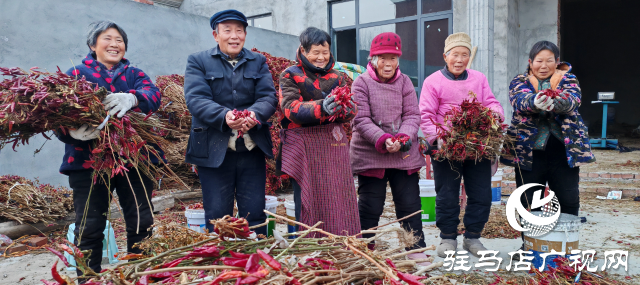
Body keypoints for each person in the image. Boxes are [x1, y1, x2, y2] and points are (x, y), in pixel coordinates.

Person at [55, 21, 162, 281]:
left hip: (135, 158)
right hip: (88, 160)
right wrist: (69, 132)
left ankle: (142, 274)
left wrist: (134, 97)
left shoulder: (134, 73)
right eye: (108, 38)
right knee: (89, 225)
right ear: (93, 45)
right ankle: (88, 278)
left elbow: (153, 95)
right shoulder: (76, 74)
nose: (115, 44)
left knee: (141, 219)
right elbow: (55, 111)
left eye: (120, 40)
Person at [184, 10, 277, 235]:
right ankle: (222, 265)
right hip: (215, 149)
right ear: (216, 35)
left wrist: (253, 116)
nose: (234, 36)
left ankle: (255, 262)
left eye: (239, 31)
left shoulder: (258, 61)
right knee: (217, 216)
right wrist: (226, 117)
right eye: (227, 31)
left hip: (251, 148)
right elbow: (196, 99)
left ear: (245, 34)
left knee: (254, 214)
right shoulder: (198, 61)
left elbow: (268, 97)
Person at [500, 41, 595, 250]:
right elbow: (519, 100)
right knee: (530, 200)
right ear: (530, 62)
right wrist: (535, 102)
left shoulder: (568, 79)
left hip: (563, 151)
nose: (544, 66)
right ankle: (531, 246)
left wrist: (557, 102)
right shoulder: (520, 80)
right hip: (529, 152)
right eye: (539, 61)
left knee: (568, 198)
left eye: (549, 61)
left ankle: (566, 246)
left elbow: (573, 100)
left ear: (557, 62)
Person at [419, 32, 504, 257]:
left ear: (469, 57)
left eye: (464, 55)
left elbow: (491, 103)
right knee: (447, 193)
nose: (459, 60)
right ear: (445, 56)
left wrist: (495, 116)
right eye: (455, 54)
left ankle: (473, 237)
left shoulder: (478, 78)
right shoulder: (432, 81)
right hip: (447, 146)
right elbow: (426, 115)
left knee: (481, 193)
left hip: (476, 146)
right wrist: (439, 138)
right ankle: (448, 237)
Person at [350, 32, 429, 262]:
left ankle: (415, 248)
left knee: (409, 203)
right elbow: (361, 119)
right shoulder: (361, 83)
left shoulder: (404, 82)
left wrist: (403, 138)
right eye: (382, 58)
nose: (388, 64)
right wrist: (384, 139)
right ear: (373, 59)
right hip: (372, 154)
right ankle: (364, 248)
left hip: (402, 154)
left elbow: (413, 115)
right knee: (370, 205)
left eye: (393, 58)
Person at [278, 27, 360, 236]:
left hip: (334, 145)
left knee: (339, 195)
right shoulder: (290, 74)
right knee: (308, 197)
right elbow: (290, 108)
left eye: (325, 52)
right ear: (303, 51)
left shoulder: (338, 77)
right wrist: (322, 107)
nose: (321, 57)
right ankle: (310, 245)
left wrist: (345, 108)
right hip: (304, 146)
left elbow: (351, 109)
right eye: (315, 52)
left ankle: (342, 240)